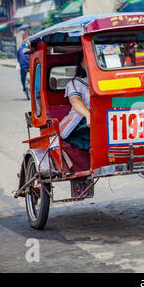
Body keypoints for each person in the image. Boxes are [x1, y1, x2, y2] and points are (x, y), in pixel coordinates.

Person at [61, 51, 92, 197]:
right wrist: (88, 115)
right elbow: (75, 101)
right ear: (81, 63)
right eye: (89, 59)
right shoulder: (75, 83)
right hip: (81, 122)